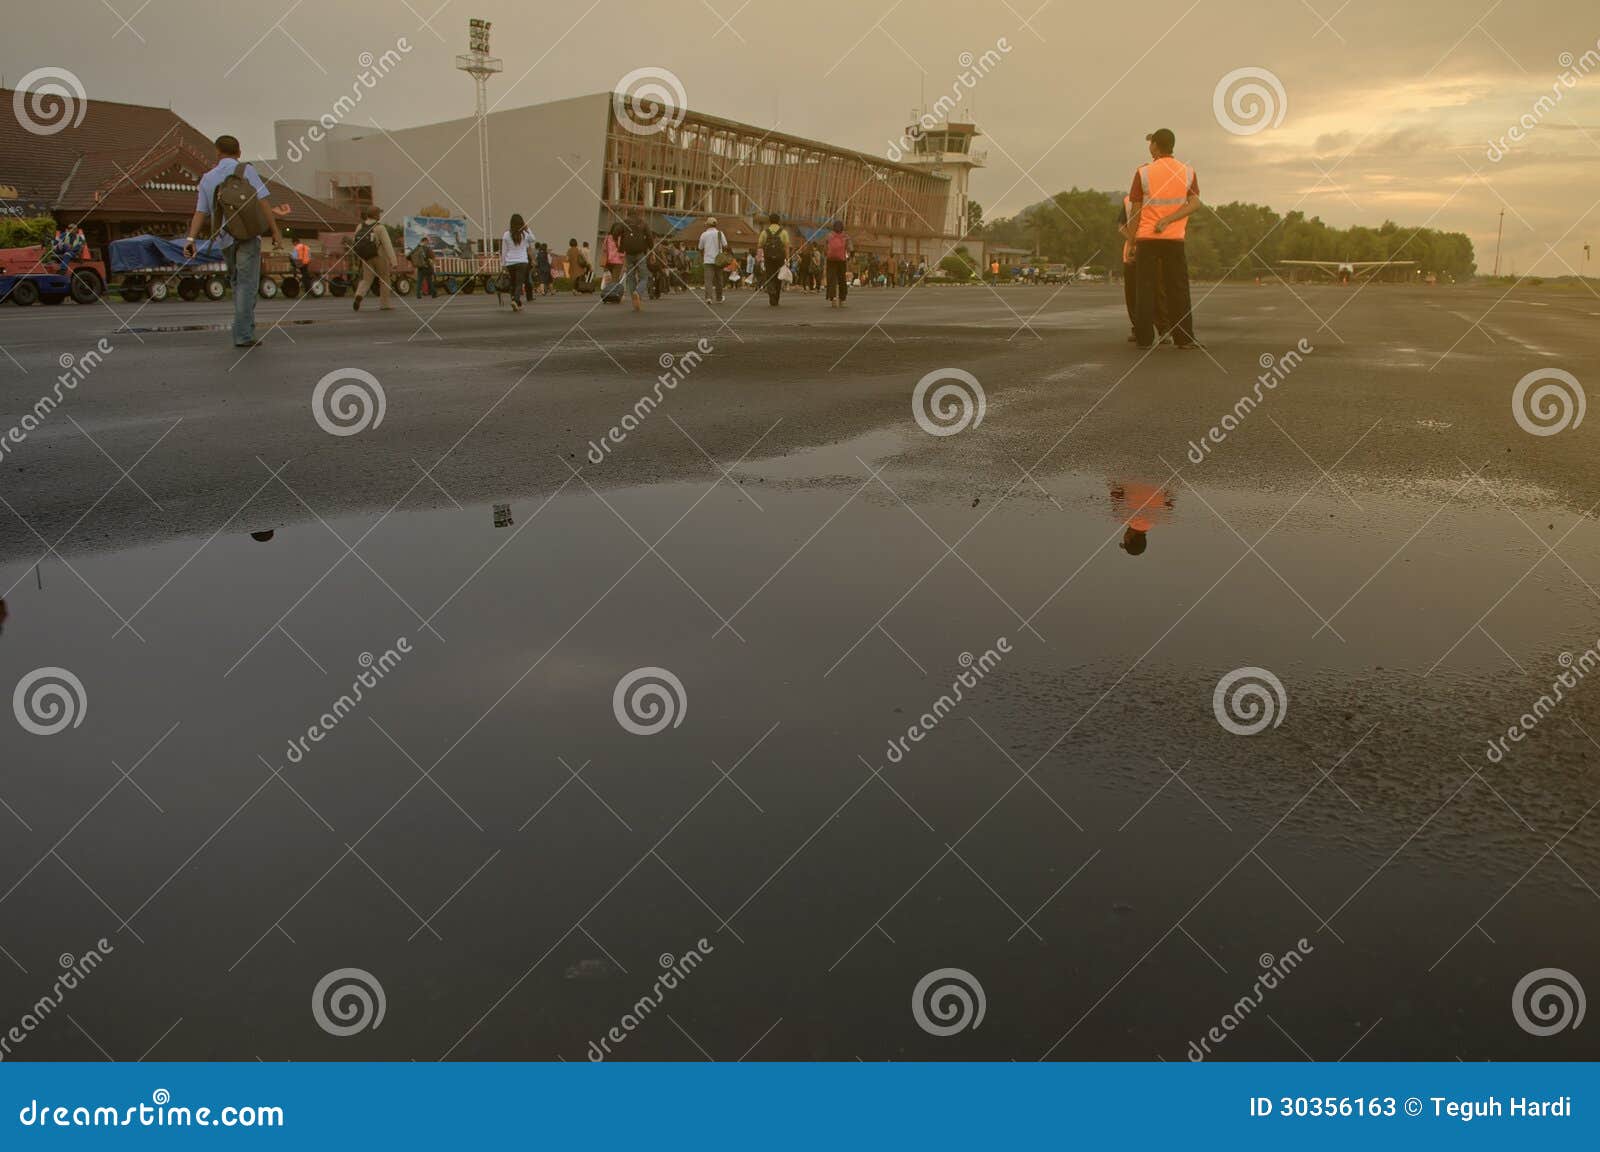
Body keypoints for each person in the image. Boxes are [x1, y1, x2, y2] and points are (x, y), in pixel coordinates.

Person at [184, 134, 283, 347]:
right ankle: (243, 334)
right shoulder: (246, 170)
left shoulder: (207, 178)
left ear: (217, 152)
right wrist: (275, 231)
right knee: (247, 285)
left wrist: (190, 239)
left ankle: (243, 329)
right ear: (239, 152)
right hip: (248, 236)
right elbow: (263, 202)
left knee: (237, 283)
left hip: (224, 239)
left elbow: (200, 212)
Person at [1128, 127, 1201, 349]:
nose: (1149, 146)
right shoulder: (1187, 171)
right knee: (1178, 288)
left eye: (1151, 143)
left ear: (1156, 146)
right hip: (1174, 239)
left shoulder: (1143, 172)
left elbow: (1136, 211)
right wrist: (1170, 219)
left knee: (1145, 289)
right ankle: (1184, 338)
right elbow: (1195, 203)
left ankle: (1144, 338)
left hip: (1147, 239)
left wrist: (1131, 242)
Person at [1117, 196, 1169, 342]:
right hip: (1133, 251)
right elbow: (1121, 226)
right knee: (1133, 292)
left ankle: (1164, 328)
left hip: (1154, 249)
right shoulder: (1128, 201)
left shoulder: (1158, 199)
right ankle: (1138, 328)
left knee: (1158, 290)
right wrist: (1133, 241)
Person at [1110, 479, 1175, 556]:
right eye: (1125, 541)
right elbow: (1114, 490)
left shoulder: (1158, 518)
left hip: (1160, 478)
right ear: (1128, 539)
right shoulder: (1122, 516)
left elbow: (1171, 497)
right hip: (1132, 475)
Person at [349, 206, 395, 312]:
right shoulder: (380, 227)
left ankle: (359, 295)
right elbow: (388, 245)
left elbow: (354, 242)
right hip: (380, 257)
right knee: (384, 280)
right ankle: (385, 304)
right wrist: (393, 261)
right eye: (379, 213)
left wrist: (357, 257)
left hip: (366, 257)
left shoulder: (360, 226)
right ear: (376, 215)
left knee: (366, 280)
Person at [502, 213, 535, 311]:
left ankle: (517, 302)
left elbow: (504, 250)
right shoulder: (524, 234)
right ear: (522, 223)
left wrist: (503, 264)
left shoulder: (506, 234)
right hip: (522, 262)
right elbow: (533, 239)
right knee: (519, 283)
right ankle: (515, 301)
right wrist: (527, 228)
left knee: (513, 283)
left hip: (510, 262)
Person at [620, 211, 652, 311]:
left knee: (631, 277)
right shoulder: (642, 223)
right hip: (640, 253)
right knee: (644, 276)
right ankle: (637, 292)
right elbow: (649, 236)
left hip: (629, 253)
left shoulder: (624, 223)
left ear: (628, 215)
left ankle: (634, 299)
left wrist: (621, 250)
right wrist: (651, 248)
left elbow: (620, 236)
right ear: (638, 215)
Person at [758, 212, 789, 307]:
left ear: (769, 221)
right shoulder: (783, 232)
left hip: (768, 258)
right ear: (779, 221)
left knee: (770, 276)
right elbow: (786, 246)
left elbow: (760, 246)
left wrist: (759, 258)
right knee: (778, 277)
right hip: (780, 258)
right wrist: (787, 258)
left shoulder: (764, 232)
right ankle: (776, 298)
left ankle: (771, 296)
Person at [698, 216, 729, 303]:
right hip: (719, 260)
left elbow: (700, 248)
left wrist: (702, 256)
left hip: (708, 260)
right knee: (719, 279)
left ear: (707, 225)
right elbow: (725, 245)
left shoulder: (704, 234)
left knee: (708, 280)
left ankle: (709, 298)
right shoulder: (720, 233)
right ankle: (719, 298)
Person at [824, 219, 852, 308]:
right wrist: (847, 257)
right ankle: (842, 299)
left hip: (831, 260)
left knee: (831, 279)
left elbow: (825, 248)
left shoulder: (829, 235)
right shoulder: (846, 236)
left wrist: (827, 255)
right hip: (842, 260)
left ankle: (833, 298)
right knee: (842, 279)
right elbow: (850, 249)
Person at [601, 224, 625, 303]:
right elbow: (622, 251)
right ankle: (613, 296)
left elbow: (604, 248)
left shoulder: (607, 238)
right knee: (615, 280)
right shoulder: (619, 238)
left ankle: (608, 295)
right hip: (618, 262)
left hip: (608, 262)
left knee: (609, 280)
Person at [409, 234, 436, 299]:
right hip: (427, 266)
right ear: (425, 241)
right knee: (429, 280)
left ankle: (418, 295)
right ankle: (434, 293)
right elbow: (432, 256)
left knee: (419, 281)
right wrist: (432, 262)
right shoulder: (427, 248)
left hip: (420, 267)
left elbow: (410, 255)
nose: (428, 243)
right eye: (427, 241)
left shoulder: (417, 248)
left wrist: (414, 263)